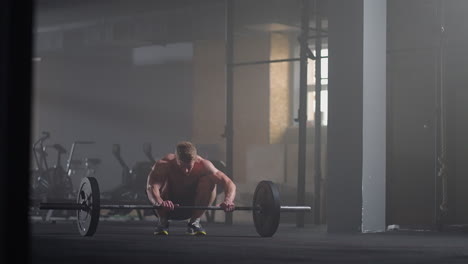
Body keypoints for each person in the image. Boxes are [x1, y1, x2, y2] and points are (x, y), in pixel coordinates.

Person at [146, 141, 236, 235]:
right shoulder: (164, 164)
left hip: (191, 208)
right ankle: (162, 221)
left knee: (209, 181)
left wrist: (228, 200)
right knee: (159, 182)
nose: (186, 170)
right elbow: (150, 187)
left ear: (195, 160)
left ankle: (194, 222)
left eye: (189, 166)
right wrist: (159, 202)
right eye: (182, 166)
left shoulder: (203, 165)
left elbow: (229, 183)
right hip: (166, 208)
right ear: (176, 159)